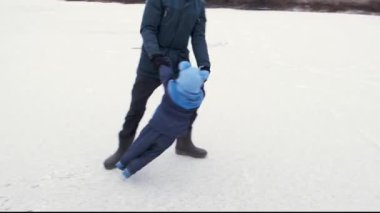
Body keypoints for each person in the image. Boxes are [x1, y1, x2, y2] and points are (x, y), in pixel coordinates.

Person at [103, 0, 211, 170]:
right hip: (151, 61)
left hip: (179, 63)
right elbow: (148, 28)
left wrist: (204, 63)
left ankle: (183, 142)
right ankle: (123, 147)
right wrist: (155, 55)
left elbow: (198, 36)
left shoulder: (197, 4)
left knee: (189, 105)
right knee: (137, 106)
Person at [116, 61, 209, 178]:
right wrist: (201, 77)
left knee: (140, 144)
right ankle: (130, 170)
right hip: (171, 134)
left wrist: (163, 64)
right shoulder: (198, 99)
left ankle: (123, 162)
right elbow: (201, 89)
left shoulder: (172, 88)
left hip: (155, 126)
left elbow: (165, 75)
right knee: (153, 153)